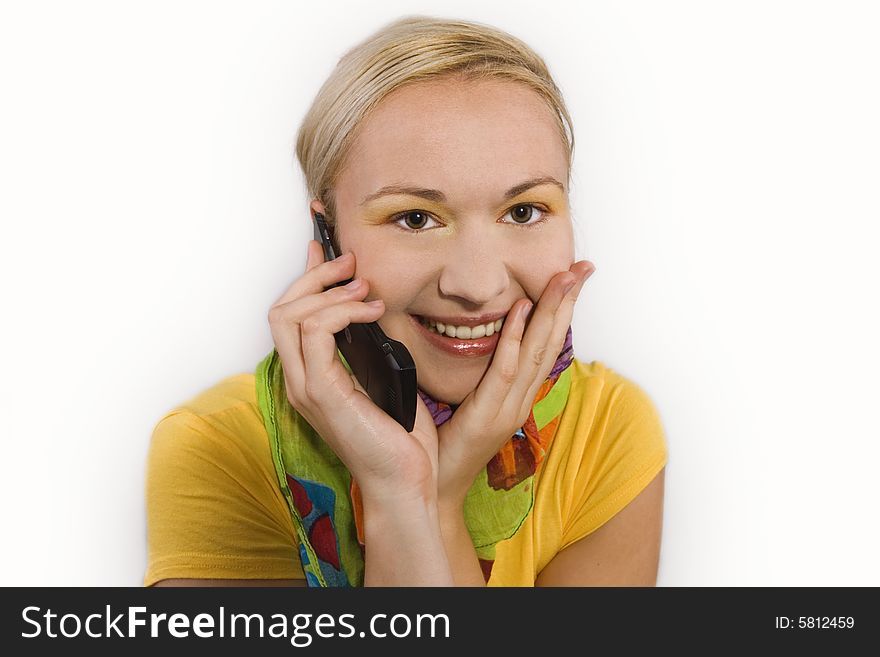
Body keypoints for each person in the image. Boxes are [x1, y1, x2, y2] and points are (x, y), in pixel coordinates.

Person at [144, 15, 668, 587]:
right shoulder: (220, 446)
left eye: (523, 211)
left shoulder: (606, 429)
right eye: (415, 218)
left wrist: (441, 502)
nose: (477, 285)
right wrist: (400, 493)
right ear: (330, 236)